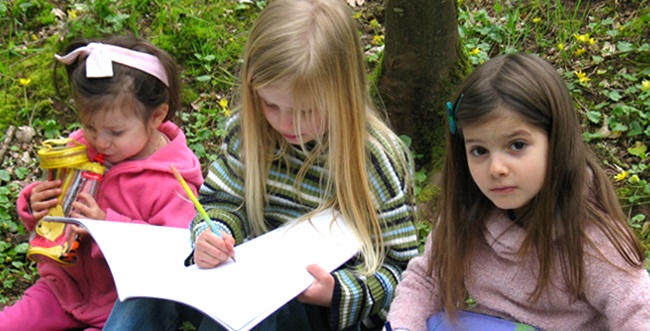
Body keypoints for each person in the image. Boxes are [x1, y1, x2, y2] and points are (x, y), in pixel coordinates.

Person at [103, 0, 419, 330]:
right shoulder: (250, 132)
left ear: (344, 94)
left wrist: (337, 293)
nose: (286, 123)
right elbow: (223, 203)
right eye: (270, 103)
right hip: (247, 282)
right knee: (150, 287)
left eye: (306, 111)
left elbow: (401, 268)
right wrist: (215, 233)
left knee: (256, 318)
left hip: (321, 311)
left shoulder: (374, 158)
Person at [385, 53, 650, 331]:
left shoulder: (592, 238)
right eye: (479, 151)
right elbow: (427, 279)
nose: (496, 168)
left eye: (517, 145)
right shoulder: (466, 213)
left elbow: (639, 311)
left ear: (556, 141)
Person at [0, 35, 203, 330]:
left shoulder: (171, 181)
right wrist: (37, 204)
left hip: (121, 303)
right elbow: (56, 218)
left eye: (116, 132)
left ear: (157, 116)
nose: (100, 141)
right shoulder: (81, 148)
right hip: (64, 289)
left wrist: (106, 226)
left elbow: (175, 253)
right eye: (90, 126)